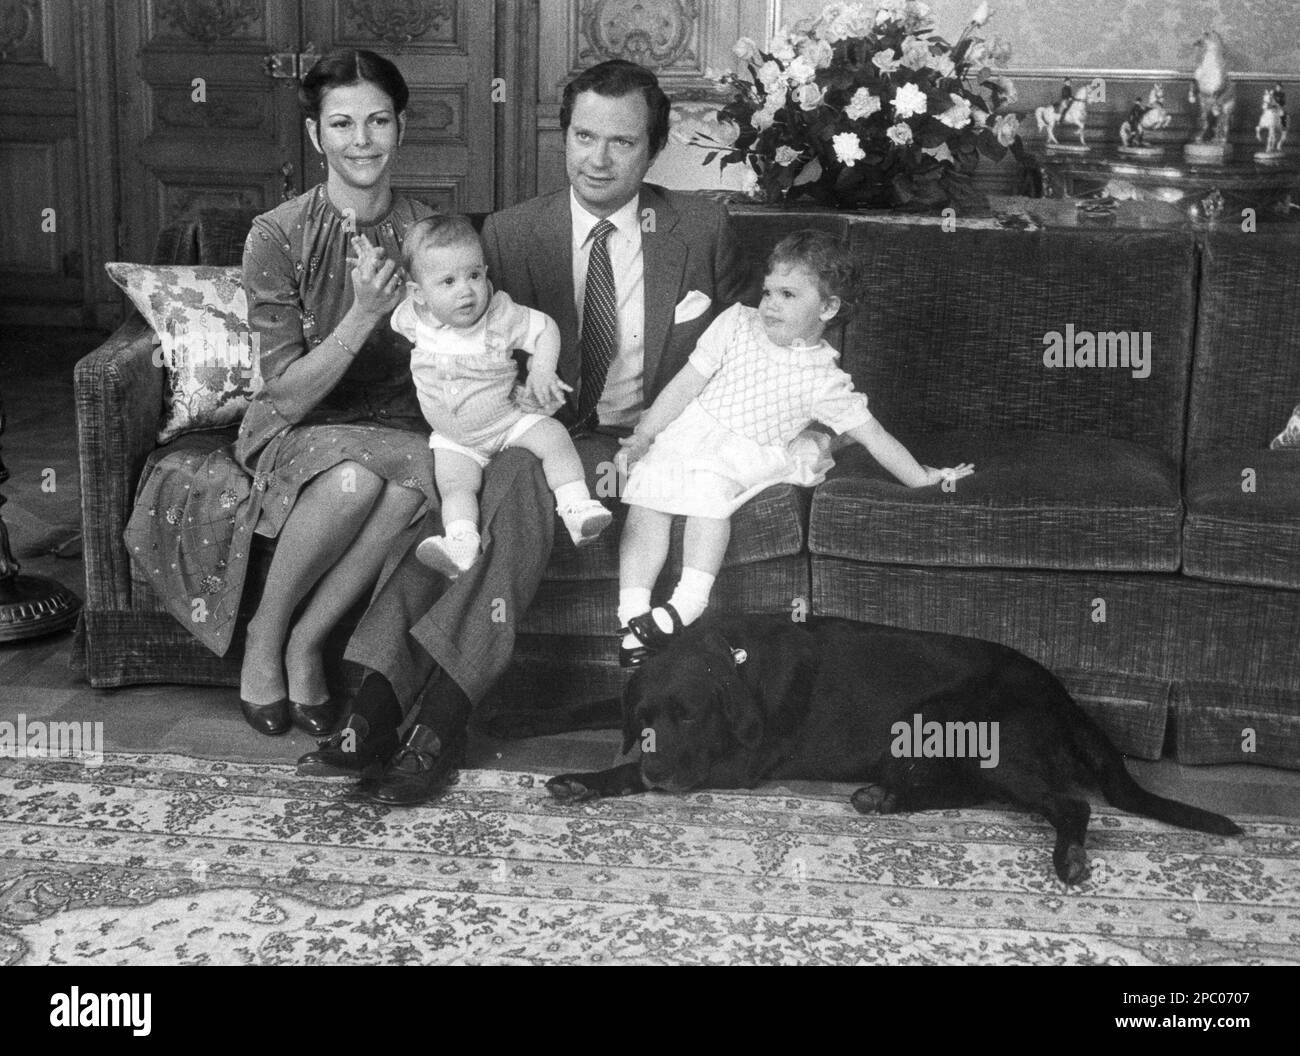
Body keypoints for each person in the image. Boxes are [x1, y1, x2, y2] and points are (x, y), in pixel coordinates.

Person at [298, 58, 745, 804]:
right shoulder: (510, 232)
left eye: (623, 142)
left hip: (649, 442)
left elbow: (748, 345)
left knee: (510, 483)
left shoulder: (700, 227)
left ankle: (398, 715)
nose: (598, 160)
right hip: (533, 431)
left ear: (655, 147)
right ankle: (406, 715)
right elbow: (463, 339)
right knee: (484, 498)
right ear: (564, 136)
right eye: (584, 137)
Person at [615, 230, 975, 663]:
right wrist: (645, 434)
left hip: (747, 450)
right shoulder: (735, 323)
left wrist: (923, 478)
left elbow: (874, 435)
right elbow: (684, 384)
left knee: (708, 495)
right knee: (646, 495)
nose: (770, 304)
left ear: (828, 308)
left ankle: (687, 603)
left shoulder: (823, 379)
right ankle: (631, 615)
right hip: (690, 432)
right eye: (768, 291)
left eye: (788, 295)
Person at [231, 49, 440, 737]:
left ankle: (305, 640)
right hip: (301, 422)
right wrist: (362, 315)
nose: (362, 141)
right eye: (342, 124)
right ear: (315, 134)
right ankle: (264, 634)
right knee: (355, 480)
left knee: (416, 479)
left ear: (402, 127)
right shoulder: (276, 235)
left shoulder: (429, 232)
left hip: (400, 421)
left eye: (378, 121)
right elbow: (286, 393)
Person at [384, 214, 612, 579]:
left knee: (554, 438)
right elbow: (386, 303)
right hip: (455, 440)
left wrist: (542, 370)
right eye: (448, 281)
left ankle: (577, 508)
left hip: (507, 421)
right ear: (419, 295)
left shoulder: (500, 314)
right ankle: (461, 544)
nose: (466, 290)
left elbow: (545, 328)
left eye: (475, 275)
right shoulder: (413, 318)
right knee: (456, 488)